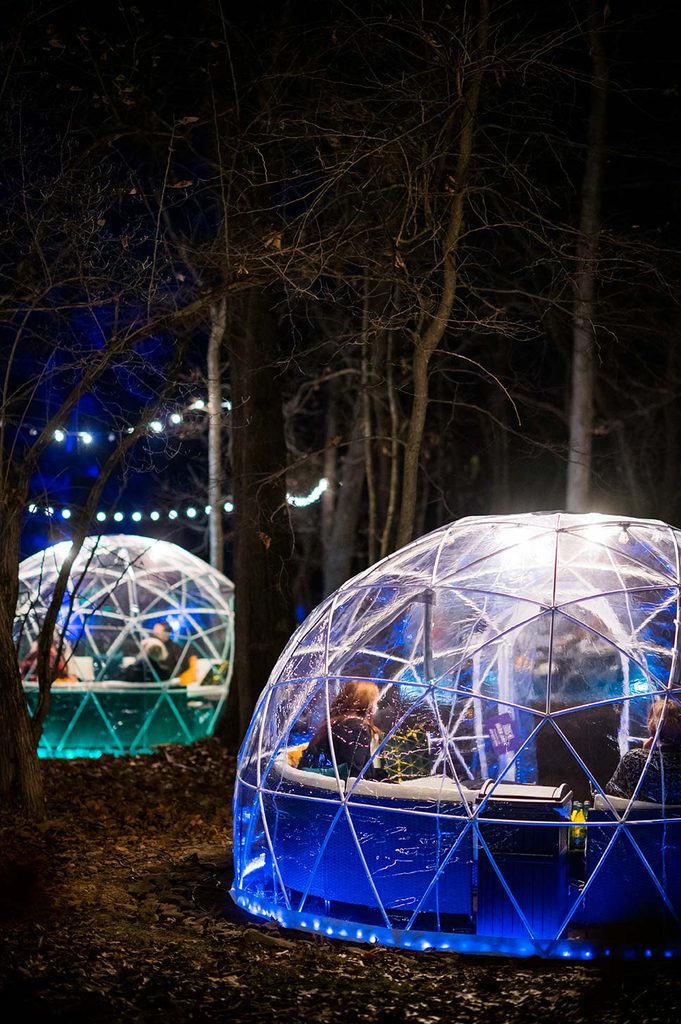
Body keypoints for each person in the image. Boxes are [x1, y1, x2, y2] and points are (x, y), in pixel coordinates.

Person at [299, 679, 381, 779]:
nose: (377, 707)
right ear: (367, 703)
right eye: (375, 702)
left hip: (314, 783)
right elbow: (353, 774)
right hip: (337, 790)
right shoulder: (356, 728)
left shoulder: (335, 722)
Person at [605, 698, 681, 803]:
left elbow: (612, 792)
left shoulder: (634, 759)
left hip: (640, 818)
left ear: (652, 725)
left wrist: (645, 755)